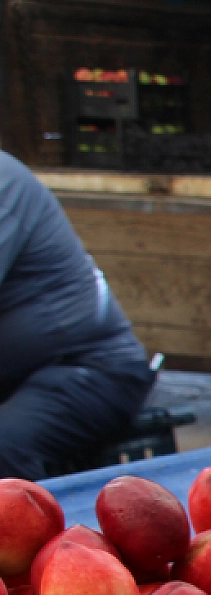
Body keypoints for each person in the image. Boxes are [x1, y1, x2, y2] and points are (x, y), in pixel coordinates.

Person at [0, 152, 154, 480]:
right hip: (15, 375)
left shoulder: (3, 181)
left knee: (3, 445)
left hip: (86, 370)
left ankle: (20, 531)